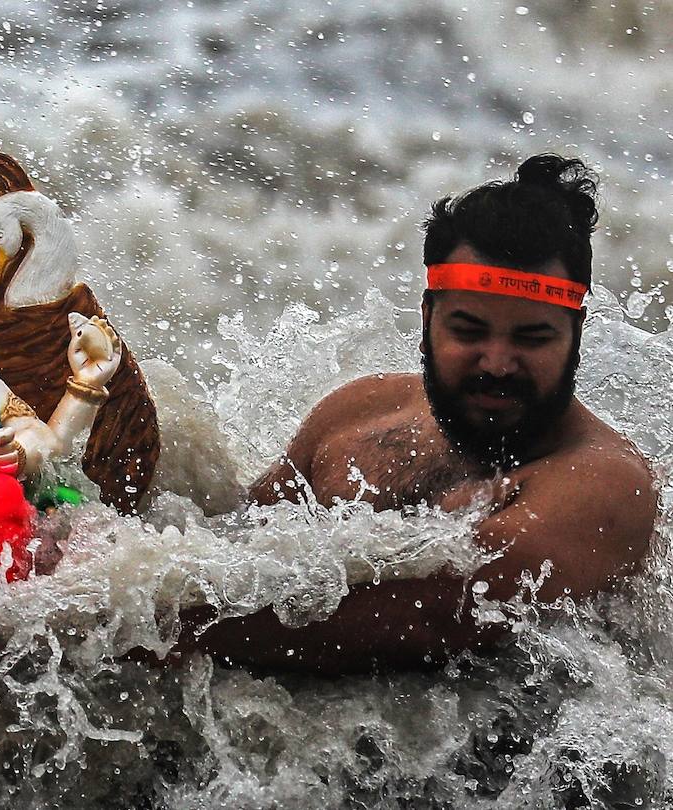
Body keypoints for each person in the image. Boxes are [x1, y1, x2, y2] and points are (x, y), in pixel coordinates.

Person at [180, 154, 656, 672]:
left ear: (575, 334)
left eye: (532, 337)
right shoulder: (358, 413)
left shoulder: (605, 485)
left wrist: (159, 636)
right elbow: (228, 537)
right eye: (469, 332)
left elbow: (429, 617)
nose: (497, 364)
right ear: (428, 318)